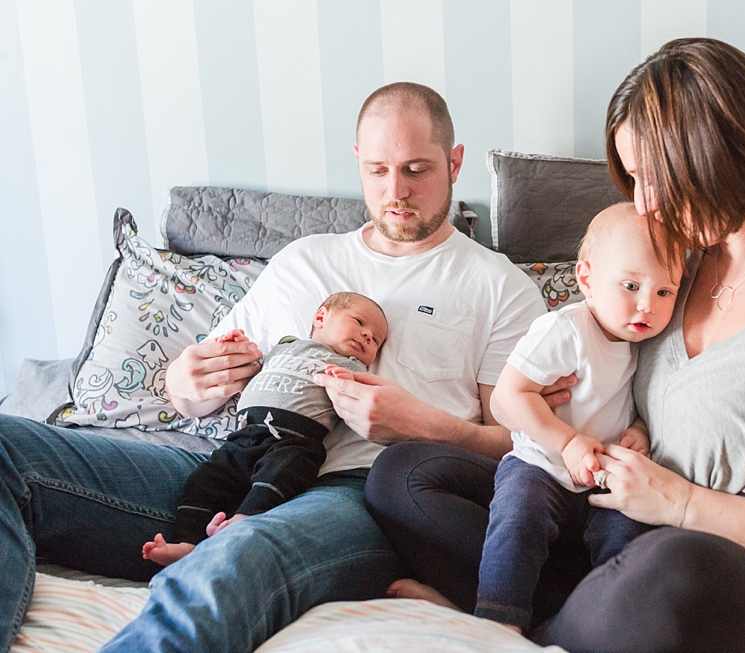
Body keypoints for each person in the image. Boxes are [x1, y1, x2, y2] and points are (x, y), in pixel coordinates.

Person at [365, 39, 745, 653]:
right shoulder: (680, 259)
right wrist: (566, 401)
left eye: (652, 177)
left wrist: (683, 504)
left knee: (669, 577)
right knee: (403, 477)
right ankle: (542, 614)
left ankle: (512, 631)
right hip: (617, 523)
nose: (642, 203)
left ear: (719, 154)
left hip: (744, 569)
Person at [0, 81, 555, 653]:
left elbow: (528, 447)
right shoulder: (305, 260)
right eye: (377, 170)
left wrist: (421, 425)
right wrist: (182, 382)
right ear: (358, 163)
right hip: (233, 464)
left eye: (416, 169)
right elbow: (198, 394)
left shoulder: (499, 288)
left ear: (455, 161)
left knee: (229, 564)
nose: (396, 191)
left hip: (356, 496)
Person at [471, 202, 679, 633]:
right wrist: (566, 442)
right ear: (586, 279)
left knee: (629, 537)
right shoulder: (564, 330)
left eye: (664, 292)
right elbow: (508, 398)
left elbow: (638, 405)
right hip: (540, 466)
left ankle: (603, 623)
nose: (647, 307)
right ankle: (498, 622)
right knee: (517, 519)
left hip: (601, 478)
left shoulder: (647, 346)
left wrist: (638, 430)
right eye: (630, 286)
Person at [142, 291, 388, 566]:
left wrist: (349, 383)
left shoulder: (350, 366)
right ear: (321, 317)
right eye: (359, 322)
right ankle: (187, 541)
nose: (368, 336)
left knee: (287, 469)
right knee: (205, 479)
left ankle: (244, 519)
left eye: (376, 340)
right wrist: (235, 346)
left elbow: (362, 401)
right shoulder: (284, 346)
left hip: (294, 438)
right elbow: (248, 365)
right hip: (245, 435)